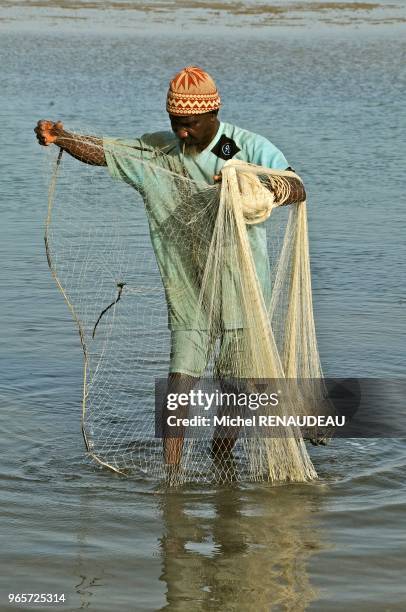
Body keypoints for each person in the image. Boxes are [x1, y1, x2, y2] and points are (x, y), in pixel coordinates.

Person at [35, 66, 306, 466]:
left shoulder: (242, 147)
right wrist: (63, 137)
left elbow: (295, 185)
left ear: (214, 114)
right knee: (181, 379)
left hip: (241, 286)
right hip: (186, 285)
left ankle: (220, 453)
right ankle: (172, 472)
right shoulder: (161, 151)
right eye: (176, 123)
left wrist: (250, 185)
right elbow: (108, 153)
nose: (182, 132)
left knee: (236, 382)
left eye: (191, 125)